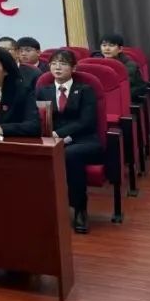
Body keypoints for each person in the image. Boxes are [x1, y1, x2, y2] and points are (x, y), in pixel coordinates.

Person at [36, 49, 102, 234]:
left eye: (63, 63)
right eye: (54, 63)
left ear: (73, 68)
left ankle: (80, 208)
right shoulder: (43, 91)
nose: (57, 67)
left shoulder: (85, 90)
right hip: (52, 139)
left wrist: (60, 134)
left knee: (71, 154)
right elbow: (39, 118)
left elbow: (86, 122)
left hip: (83, 140)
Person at [95, 33, 147, 99]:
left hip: (126, 98)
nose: (107, 49)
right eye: (104, 45)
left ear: (120, 49)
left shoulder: (130, 65)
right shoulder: (97, 64)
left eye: (111, 45)